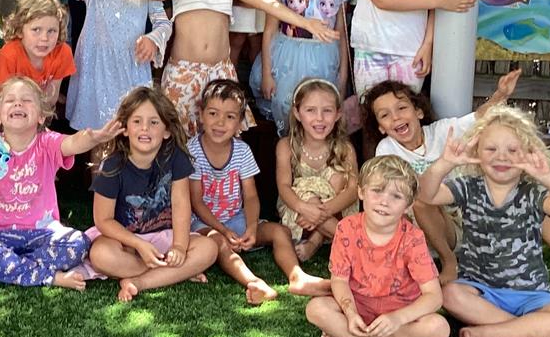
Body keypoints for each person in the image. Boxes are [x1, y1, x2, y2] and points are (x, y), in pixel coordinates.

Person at [365, 69, 550, 294]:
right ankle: (449, 263)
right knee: (421, 200)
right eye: (385, 115)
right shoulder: (386, 149)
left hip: (471, 217)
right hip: (431, 225)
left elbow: (480, 116)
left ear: (418, 112)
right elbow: (401, 197)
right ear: (380, 127)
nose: (396, 117)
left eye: (401, 108)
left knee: (528, 198)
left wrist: (501, 95)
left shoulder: (442, 130)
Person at [135, 0, 337, 134]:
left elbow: (267, 3)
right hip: (183, 72)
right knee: (180, 135)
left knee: (224, 134)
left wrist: (306, 23)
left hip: (221, 74)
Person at [418, 105, 550, 337]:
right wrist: (444, 164)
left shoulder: (533, 192)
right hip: (480, 291)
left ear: (529, 154)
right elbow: (426, 194)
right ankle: (530, 333)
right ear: (477, 152)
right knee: (449, 295)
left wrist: (548, 177)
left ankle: (490, 332)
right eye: (491, 149)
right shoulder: (468, 187)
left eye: (512, 150)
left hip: (532, 294)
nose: (501, 156)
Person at [0, 77, 121, 290]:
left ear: (41, 116)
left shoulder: (47, 143)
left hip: (43, 234)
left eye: (26, 100)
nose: (18, 104)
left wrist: (93, 138)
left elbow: (72, 143)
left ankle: (4, 268)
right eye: (10, 100)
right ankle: (49, 276)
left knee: (77, 243)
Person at [188, 79, 331, 304]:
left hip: (237, 219)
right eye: (213, 113)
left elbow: (251, 196)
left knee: (280, 232)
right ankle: (254, 282)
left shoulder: (242, 151)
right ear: (201, 114)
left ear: (240, 122)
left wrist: (252, 228)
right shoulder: (192, 151)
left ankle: (297, 277)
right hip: (203, 223)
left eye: (230, 117)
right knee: (218, 242)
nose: (220, 123)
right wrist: (223, 230)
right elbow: (196, 202)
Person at [304, 155, 449, 337]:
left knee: (439, 328)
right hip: (359, 305)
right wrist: (350, 313)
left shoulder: (413, 238)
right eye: (377, 190)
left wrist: (397, 319)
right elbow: (340, 281)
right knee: (315, 309)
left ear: (408, 205)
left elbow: (434, 297)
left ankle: (347, 333)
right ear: (361, 192)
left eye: (396, 196)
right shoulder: (346, 228)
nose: (384, 201)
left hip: (400, 312)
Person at [80, 86, 217, 302]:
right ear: (125, 129)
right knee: (100, 255)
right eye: (137, 121)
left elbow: (181, 204)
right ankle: (173, 272)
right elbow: (103, 220)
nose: (145, 128)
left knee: (208, 248)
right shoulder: (112, 165)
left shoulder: (175, 157)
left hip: (164, 235)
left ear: (166, 131)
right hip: (124, 241)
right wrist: (138, 245)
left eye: (154, 122)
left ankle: (139, 282)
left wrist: (180, 247)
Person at [62, 0, 171, 132]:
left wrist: (152, 39)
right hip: (96, 69)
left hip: (130, 68)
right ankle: (94, 167)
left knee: (129, 129)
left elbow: (164, 24)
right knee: (95, 131)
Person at [253, 0, 350, 135]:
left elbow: (341, 35)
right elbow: (270, 31)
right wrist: (267, 73)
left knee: (318, 111)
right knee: (288, 110)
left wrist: (342, 78)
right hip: (286, 58)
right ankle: (287, 156)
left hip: (324, 59)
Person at [276, 79, 360, 260]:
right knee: (303, 186)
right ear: (297, 113)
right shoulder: (286, 146)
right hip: (298, 210)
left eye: (327, 111)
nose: (320, 118)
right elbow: (283, 187)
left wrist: (321, 212)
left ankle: (315, 242)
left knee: (339, 178)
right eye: (310, 110)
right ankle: (352, 244)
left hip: (334, 210)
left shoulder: (345, 148)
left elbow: (354, 190)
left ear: (338, 114)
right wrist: (305, 208)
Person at [0, 0, 75, 106]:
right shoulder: (9, 54)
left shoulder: (63, 52)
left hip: (35, 98)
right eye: (36, 30)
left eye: (51, 31)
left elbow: (51, 97)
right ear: (20, 30)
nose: (44, 38)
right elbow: (7, 99)